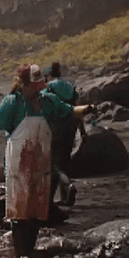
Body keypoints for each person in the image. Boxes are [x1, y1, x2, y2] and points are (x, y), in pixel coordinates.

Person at [0, 65, 83, 258]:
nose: (39, 90)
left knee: (38, 206)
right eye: (35, 86)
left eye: (40, 86)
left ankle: (30, 250)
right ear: (23, 85)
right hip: (18, 164)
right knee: (19, 209)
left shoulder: (48, 101)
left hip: (41, 162)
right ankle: (22, 253)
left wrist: (88, 109)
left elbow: (69, 110)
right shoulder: (12, 102)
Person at [43, 62, 80, 205]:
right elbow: (78, 108)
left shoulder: (49, 88)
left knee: (54, 163)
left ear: (48, 76)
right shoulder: (70, 87)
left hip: (55, 126)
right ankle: (64, 198)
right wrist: (82, 131)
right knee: (64, 160)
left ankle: (68, 185)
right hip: (71, 126)